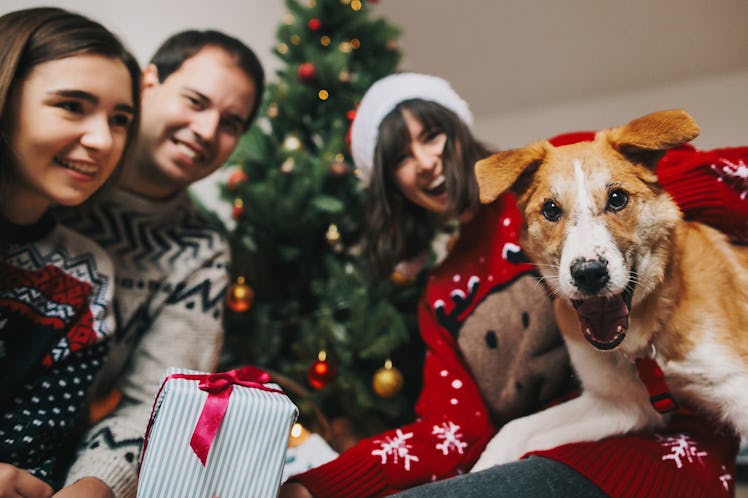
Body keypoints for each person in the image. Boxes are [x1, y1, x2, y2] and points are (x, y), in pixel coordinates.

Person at [279, 73, 743, 497]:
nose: (425, 161)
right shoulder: (443, 292)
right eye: (401, 156)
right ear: (390, 182)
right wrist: (322, 486)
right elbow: (450, 428)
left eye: (433, 134)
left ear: (458, 130)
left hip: (659, 452)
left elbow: (711, 174)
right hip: (575, 442)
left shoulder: (561, 164)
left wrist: (659, 200)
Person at [59, 30, 265, 497]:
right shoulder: (54, 170)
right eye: (195, 101)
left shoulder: (201, 252)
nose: (208, 131)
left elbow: (158, 403)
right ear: (147, 84)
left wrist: (92, 487)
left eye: (231, 123)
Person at [0, 6, 140, 498]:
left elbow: (35, 445)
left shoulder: (85, 275)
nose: (103, 140)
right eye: (71, 105)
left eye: (120, 119)